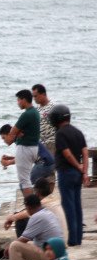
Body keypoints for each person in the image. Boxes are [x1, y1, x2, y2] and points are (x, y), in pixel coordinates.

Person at [50, 104, 90, 247]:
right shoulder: (78, 132)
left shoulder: (60, 133)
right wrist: (84, 171)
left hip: (66, 173)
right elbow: (85, 152)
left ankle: (72, 240)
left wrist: (77, 166)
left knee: (69, 207)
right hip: (77, 174)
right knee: (77, 205)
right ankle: (78, 237)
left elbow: (66, 154)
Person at [7, 194, 63, 260]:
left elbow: (23, 239)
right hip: (57, 252)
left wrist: (8, 249)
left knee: (14, 246)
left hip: (49, 255)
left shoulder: (37, 217)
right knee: (28, 244)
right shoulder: (48, 213)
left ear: (28, 207)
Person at [3, 90, 41, 196]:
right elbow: (18, 132)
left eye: (19, 100)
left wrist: (12, 136)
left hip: (25, 148)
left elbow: (13, 131)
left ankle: (30, 206)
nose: (18, 102)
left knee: (24, 181)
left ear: (24, 100)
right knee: (26, 179)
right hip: (33, 148)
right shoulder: (35, 112)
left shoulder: (27, 114)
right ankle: (30, 205)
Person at [4, 178, 67, 242]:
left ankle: (23, 243)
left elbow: (26, 213)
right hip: (62, 239)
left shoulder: (43, 204)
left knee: (21, 220)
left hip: (54, 243)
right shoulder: (55, 200)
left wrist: (11, 218)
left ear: (37, 191)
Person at [0, 124, 55, 194]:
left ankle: (33, 203)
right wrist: (10, 158)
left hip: (44, 163)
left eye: (4, 138)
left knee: (24, 185)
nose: (4, 141)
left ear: (10, 134)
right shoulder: (20, 137)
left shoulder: (20, 140)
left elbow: (22, 158)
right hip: (48, 162)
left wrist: (7, 163)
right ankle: (35, 202)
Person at [32, 84, 56, 152]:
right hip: (41, 144)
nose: (34, 98)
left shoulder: (53, 107)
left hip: (52, 143)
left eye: (36, 96)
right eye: (33, 96)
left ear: (43, 94)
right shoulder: (36, 110)